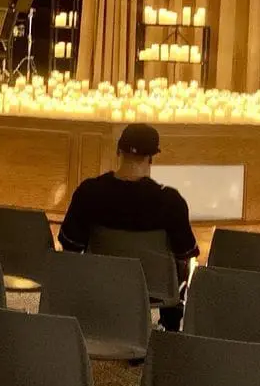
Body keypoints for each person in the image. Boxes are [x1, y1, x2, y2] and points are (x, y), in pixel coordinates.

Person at [58, 123, 198, 331]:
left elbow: (70, 244)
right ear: (151, 158)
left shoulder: (89, 192)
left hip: (101, 285)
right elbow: (185, 252)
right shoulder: (171, 201)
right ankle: (170, 326)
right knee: (181, 262)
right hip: (155, 291)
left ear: (118, 151)